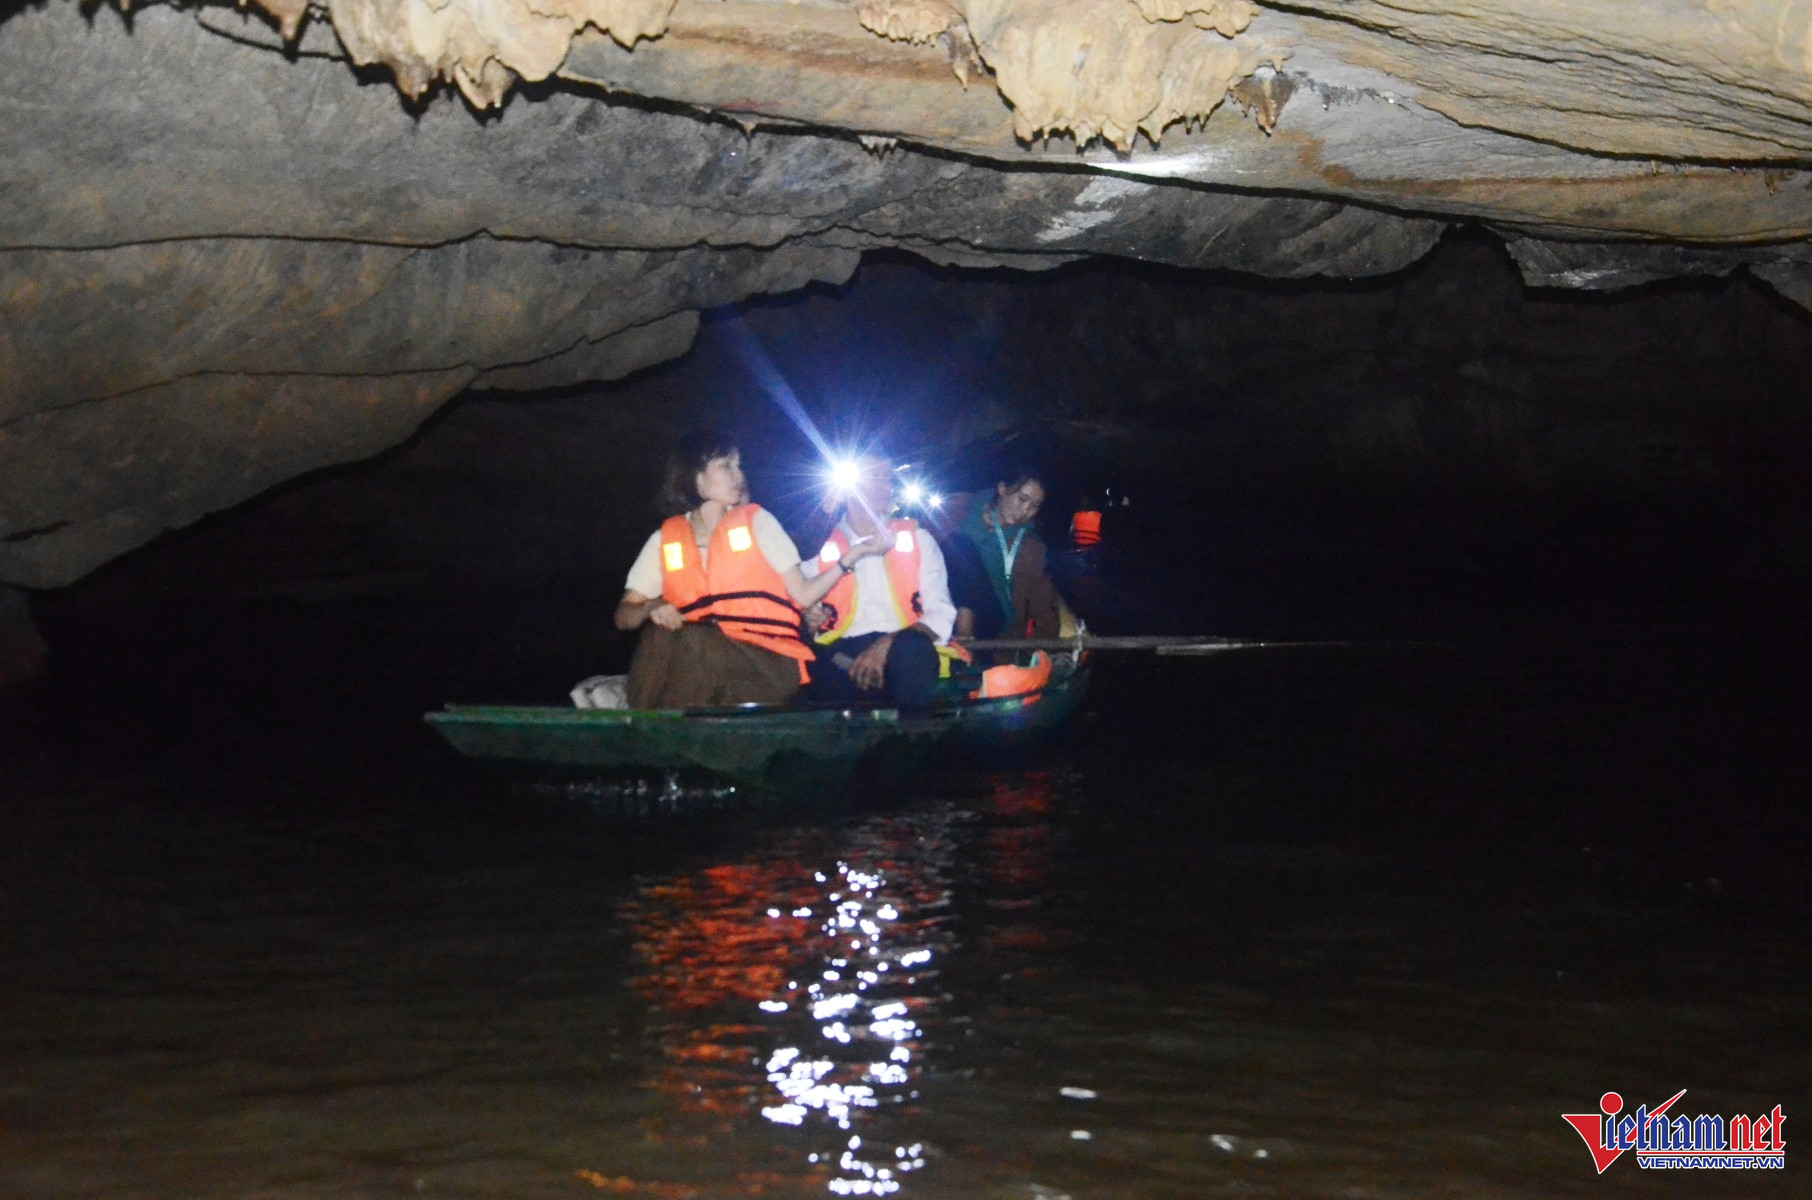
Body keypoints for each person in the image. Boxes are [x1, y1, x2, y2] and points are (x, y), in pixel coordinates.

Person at [615, 430, 886, 708]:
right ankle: (642, 724)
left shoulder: (758, 522)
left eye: (738, 465)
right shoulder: (664, 539)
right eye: (726, 466)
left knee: (693, 642)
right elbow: (625, 616)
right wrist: (652, 606)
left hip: (768, 659)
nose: (739, 474)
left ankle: (656, 731)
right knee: (660, 638)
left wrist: (852, 556)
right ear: (694, 476)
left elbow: (804, 594)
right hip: (705, 661)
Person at [801, 455, 957, 708]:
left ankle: (917, 738)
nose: (888, 486)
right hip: (840, 652)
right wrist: (807, 619)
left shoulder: (918, 538)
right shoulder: (817, 545)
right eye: (876, 477)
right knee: (817, 664)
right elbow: (797, 606)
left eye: (889, 477)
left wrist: (886, 645)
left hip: (904, 648)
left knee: (912, 652)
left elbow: (941, 613)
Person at [948, 467, 1064, 643]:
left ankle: (966, 636)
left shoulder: (1031, 547)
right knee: (960, 546)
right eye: (1022, 499)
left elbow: (1044, 605)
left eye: (1034, 506)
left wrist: (1048, 652)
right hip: (945, 621)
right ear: (1002, 489)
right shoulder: (957, 514)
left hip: (995, 632)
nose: (1025, 511)